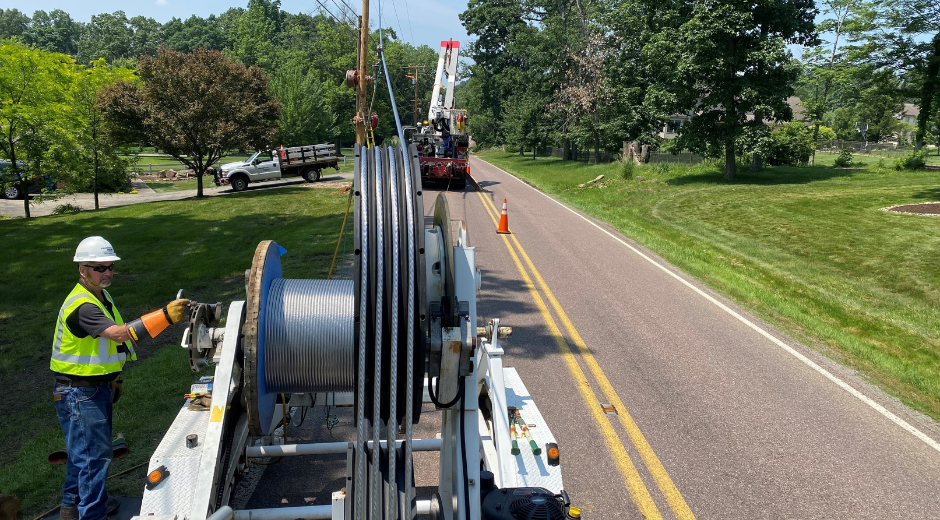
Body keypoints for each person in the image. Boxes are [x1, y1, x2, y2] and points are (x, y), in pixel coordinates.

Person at [51, 236, 189, 520]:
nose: (107, 272)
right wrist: (165, 316)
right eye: (99, 268)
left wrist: (113, 377)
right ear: (82, 270)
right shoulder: (83, 305)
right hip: (81, 393)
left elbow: (107, 343)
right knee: (93, 459)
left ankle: (70, 507)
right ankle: (91, 515)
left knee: (82, 455)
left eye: (110, 266)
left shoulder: (99, 296)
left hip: (89, 387)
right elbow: (118, 334)